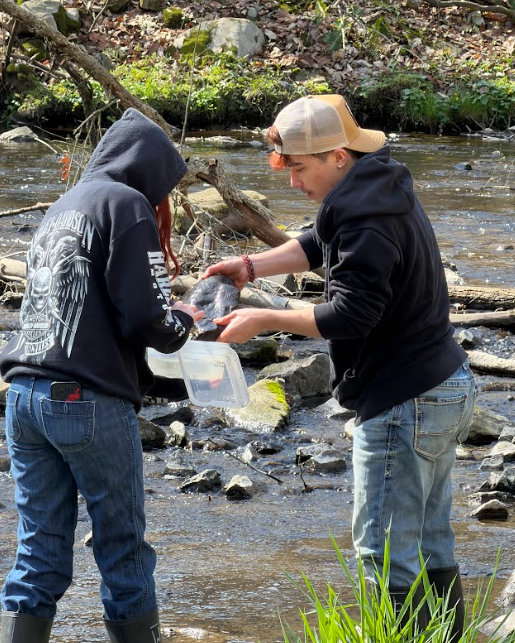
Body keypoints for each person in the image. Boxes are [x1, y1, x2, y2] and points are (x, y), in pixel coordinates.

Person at [204, 94, 477, 639]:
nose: (294, 182)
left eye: (301, 168)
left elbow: (353, 314)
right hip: (443, 383)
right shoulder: (376, 188)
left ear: (337, 156)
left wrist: (264, 318)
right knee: (428, 541)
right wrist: (251, 265)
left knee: (383, 552)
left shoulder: (366, 218)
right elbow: (318, 243)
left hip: (405, 399)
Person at [0, 108, 204, 643]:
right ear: (149, 172)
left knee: (39, 552)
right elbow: (144, 318)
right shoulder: (128, 204)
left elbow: (88, 317)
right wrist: (182, 323)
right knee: (123, 550)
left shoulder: (64, 206)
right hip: (84, 402)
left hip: (23, 396)